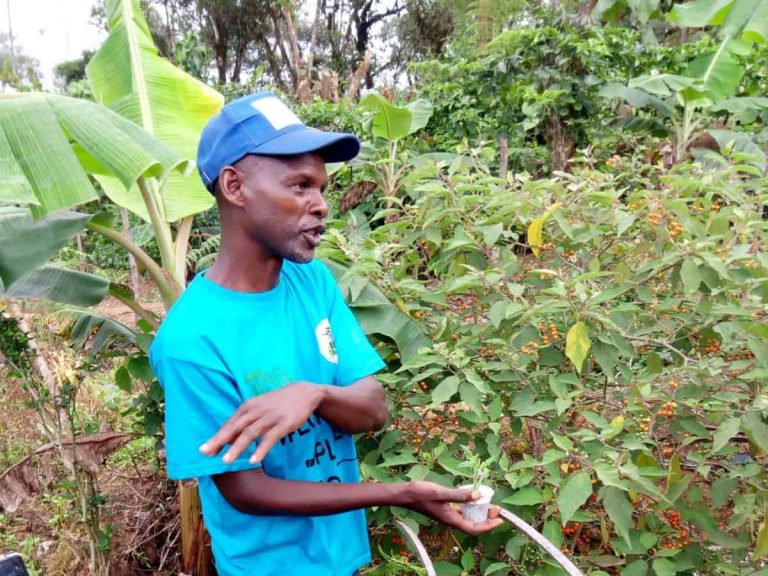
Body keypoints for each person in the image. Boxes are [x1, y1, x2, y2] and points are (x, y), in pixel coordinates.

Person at [150, 91, 502, 576]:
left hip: (343, 556)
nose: (320, 206)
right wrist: (401, 494)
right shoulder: (191, 339)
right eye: (299, 186)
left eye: (322, 189)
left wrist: (311, 394)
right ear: (234, 186)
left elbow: (372, 408)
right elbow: (245, 489)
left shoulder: (311, 280)